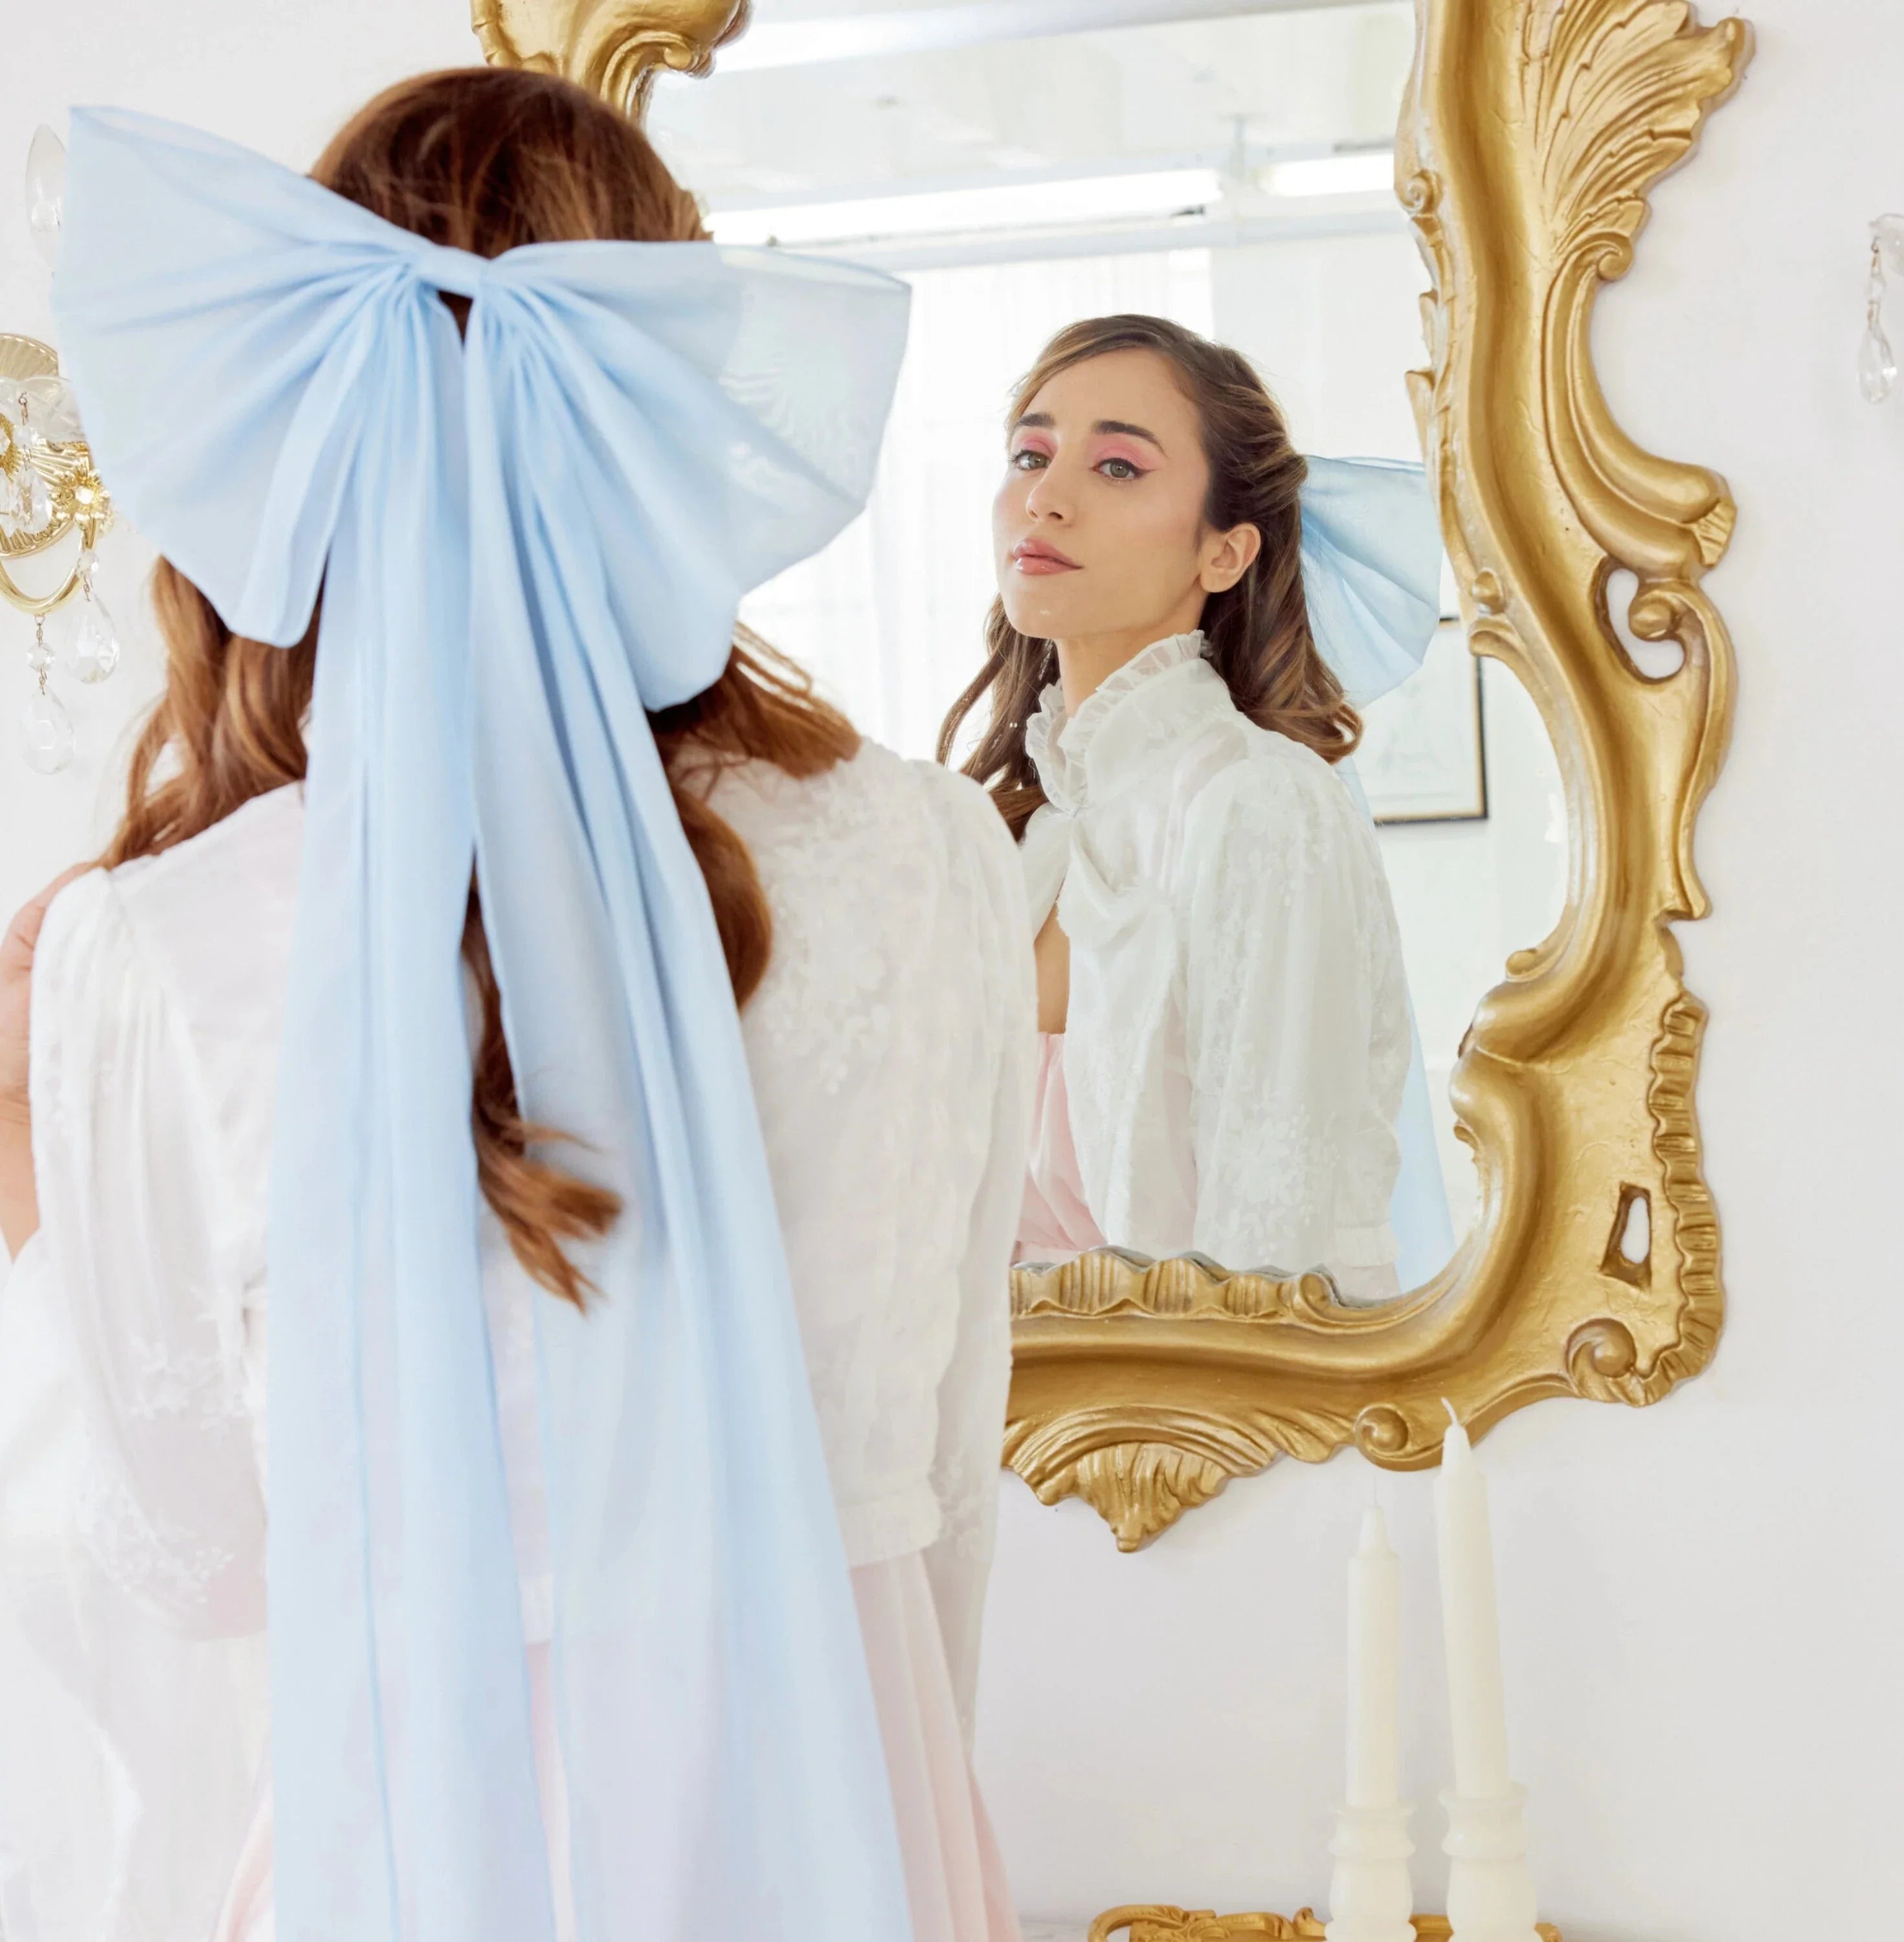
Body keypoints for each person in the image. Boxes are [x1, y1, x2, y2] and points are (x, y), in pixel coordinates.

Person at [0, 71, 1033, 1942]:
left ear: (299, 412)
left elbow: (185, 1567)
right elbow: (950, 1473)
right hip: (853, 1819)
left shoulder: (158, 944)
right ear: (671, 396)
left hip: (416, 1853)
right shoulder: (942, 854)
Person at [939, 314, 1443, 1297]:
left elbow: (1269, 1257)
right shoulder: (1025, 837)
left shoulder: (1260, 804)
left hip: (1218, 1433)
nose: (1044, 497)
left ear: (1225, 552)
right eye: (1029, 454)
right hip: (1023, 1437)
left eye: (1118, 467)